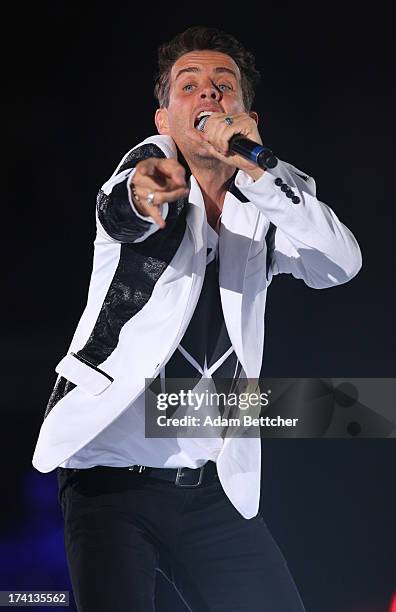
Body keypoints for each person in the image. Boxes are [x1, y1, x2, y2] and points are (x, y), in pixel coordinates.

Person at [32, 26, 362, 611]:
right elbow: (129, 208)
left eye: (223, 85)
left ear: (247, 113)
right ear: (164, 118)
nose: (208, 95)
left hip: (210, 485)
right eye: (189, 86)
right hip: (109, 473)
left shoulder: (266, 200)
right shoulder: (152, 168)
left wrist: (260, 174)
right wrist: (155, 187)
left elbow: (339, 264)